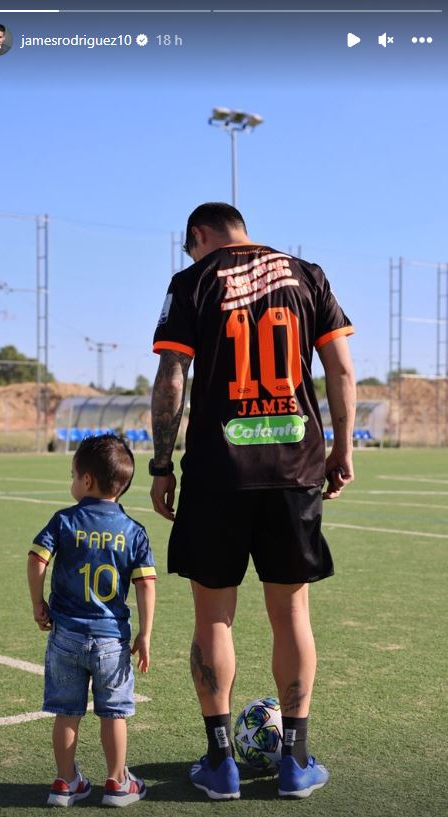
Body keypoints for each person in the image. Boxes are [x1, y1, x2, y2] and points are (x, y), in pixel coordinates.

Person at [150, 202, 356, 801]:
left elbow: (171, 379)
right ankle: (295, 762)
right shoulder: (306, 273)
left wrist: (162, 463)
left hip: (218, 470)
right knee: (291, 614)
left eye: (190, 247)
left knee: (213, 616)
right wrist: (342, 447)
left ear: (200, 236)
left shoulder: (192, 282)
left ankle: (220, 765)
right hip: (294, 466)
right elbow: (340, 369)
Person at [27, 433, 156, 807]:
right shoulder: (134, 531)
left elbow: (37, 559)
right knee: (114, 713)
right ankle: (117, 782)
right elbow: (146, 585)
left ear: (86, 481)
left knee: (66, 712)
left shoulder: (64, 521)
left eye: (72, 474)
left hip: (66, 634)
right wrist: (145, 634)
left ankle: (65, 783)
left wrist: (38, 603)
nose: (71, 481)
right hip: (112, 641)